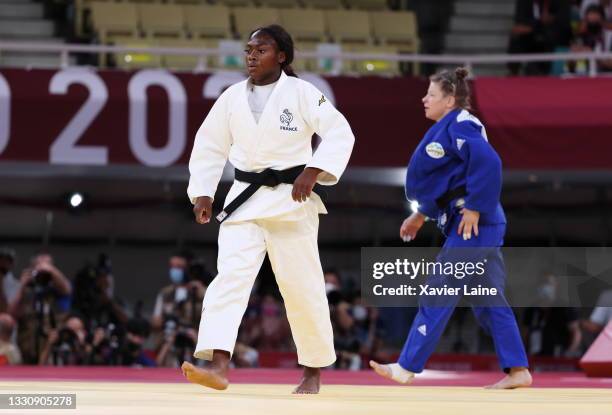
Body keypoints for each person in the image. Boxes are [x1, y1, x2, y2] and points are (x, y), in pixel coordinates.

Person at [181, 24, 355, 394]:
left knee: (302, 288)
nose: (251, 56)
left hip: (292, 202)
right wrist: (203, 193)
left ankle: (312, 372)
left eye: (261, 50)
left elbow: (340, 132)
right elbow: (209, 146)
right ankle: (218, 365)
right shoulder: (231, 98)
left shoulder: (304, 93)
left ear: (282, 56)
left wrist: (314, 170)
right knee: (229, 280)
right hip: (245, 201)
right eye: (248, 50)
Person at [370, 67, 532, 389]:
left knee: (439, 288)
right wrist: (421, 215)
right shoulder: (447, 128)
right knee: (488, 299)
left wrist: (474, 207)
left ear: (450, 99)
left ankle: (407, 365)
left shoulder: (461, 123)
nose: (423, 99)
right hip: (472, 221)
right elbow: (447, 182)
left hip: (475, 223)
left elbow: (488, 162)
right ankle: (518, 370)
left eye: (431, 94)